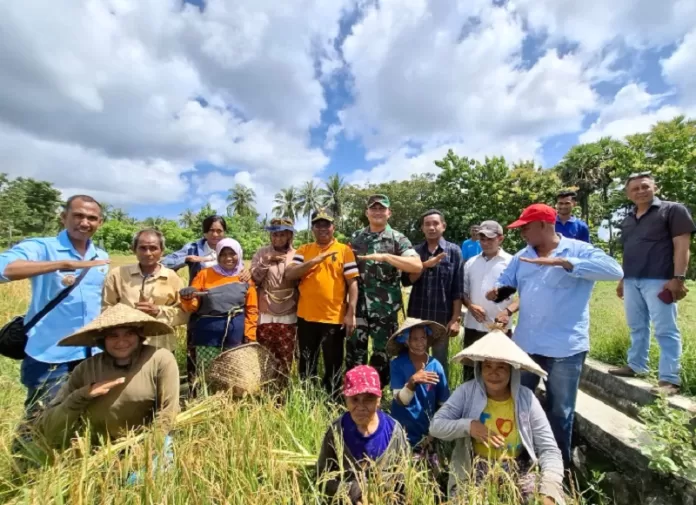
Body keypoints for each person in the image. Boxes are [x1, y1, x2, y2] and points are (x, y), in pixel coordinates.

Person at [486, 203, 623, 467]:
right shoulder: (521, 256)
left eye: (526, 227)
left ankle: (557, 466)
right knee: (520, 403)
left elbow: (615, 271)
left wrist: (563, 262)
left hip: (565, 349)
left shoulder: (577, 250)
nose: (523, 233)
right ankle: (521, 456)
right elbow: (506, 282)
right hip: (526, 346)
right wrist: (497, 292)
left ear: (545, 225)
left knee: (560, 411)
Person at [0, 195, 109, 414]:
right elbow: (3, 269)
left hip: (91, 354)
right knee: (43, 417)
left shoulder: (101, 256)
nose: (84, 222)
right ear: (63, 217)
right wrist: (62, 264)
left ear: (100, 223)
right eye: (78, 215)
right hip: (50, 355)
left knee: (84, 415)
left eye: (91, 218)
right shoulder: (42, 247)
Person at [430, 329, 565, 505]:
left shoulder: (526, 399)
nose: (493, 373)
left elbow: (549, 449)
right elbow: (436, 426)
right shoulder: (466, 392)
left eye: (501, 367)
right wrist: (469, 426)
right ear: (480, 368)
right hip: (474, 466)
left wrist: (549, 489)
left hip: (518, 467)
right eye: (488, 366)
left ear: (512, 370)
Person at [37, 304, 180, 448]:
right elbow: (50, 428)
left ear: (139, 336)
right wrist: (82, 395)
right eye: (113, 336)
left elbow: (169, 411)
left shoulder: (159, 359)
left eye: (129, 334)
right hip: (100, 451)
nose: (122, 341)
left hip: (147, 446)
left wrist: (149, 451)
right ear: (102, 340)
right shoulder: (86, 369)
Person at [609, 173, 696, 395]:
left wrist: (678, 278)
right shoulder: (628, 219)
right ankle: (636, 365)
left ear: (654, 187)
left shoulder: (672, 210)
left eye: (644, 186)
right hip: (632, 279)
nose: (640, 191)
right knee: (636, 326)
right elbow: (628, 251)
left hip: (660, 280)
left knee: (666, 329)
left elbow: (682, 246)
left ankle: (669, 379)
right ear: (628, 194)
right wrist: (622, 279)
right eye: (635, 188)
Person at [161, 215, 251, 386]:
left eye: (219, 231)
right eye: (211, 230)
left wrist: (249, 273)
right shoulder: (193, 248)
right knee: (197, 348)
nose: (215, 234)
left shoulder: (231, 251)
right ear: (204, 232)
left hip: (230, 315)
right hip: (200, 306)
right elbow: (165, 262)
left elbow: (246, 291)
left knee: (230, 362)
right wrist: (187, 259)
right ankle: (197, 387)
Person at [347, 194, 422, 386]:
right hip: (359, 309)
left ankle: (378, 396)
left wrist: (387, 257)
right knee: (355, 353)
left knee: (383, 355)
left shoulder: (398, 238)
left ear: (389, 213)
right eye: (374, 208)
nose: (378, 212)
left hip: (385, 310)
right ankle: (354, 394)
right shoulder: (356, 238)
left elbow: (416, 265)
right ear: (367, 212)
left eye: (382, 208)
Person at [285, 208, 359, 397]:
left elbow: (352, 284)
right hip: (306, 316)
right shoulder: (304, 250)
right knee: (307, 362)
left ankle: (332, 400)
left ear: (333, 227)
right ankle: (306, 398)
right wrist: (314, 261)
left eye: (326, 224)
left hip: (333, 318)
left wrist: (351, 313)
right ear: (313, 228)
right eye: (318, 225)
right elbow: (290, 274)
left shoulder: (344, 250)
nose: (322, 228)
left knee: (333, 362)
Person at [316, 365, 409, 505]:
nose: (360, 407)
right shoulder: (337, 431)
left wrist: (379, 495)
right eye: (354, 399)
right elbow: (321, 477)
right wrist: (352, 491)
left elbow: (402, 481)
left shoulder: (394, 432)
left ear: (379, 400)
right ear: (346, 399)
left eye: (368, 399)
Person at [180, 238, 258, 377]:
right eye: (223, 254)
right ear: (217, 255)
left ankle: (230, 399)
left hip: (235, 334)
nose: (228, 258)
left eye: (232, 253)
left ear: (239, 254)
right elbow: (193, 305)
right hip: (208, 333)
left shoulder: (245, 278)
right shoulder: (204, 275)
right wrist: (187, 297)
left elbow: (252, 309)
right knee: (208, 372)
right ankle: (208, 398)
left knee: (233, 374)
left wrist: (250, 334)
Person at [102, 228, 188, 351]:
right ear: (134, 250)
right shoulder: (117, 275)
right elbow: (106, 308)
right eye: (142, 248)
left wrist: (158, 311)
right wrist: (129, 314)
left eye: (153, 248)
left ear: (162, 251)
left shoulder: (171, 277)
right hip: (125, 347)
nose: (148, 253)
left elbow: (184, 313)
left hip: (161, 345)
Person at [402, 209, 464, 377]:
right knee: (415, 358)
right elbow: (407, 281)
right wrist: (424, 265)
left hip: (442, 319)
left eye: (435, 223)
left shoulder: (454, 251)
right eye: (427, 224)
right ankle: (416, 396)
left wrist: (455, 319)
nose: (431, 227)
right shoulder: (414, 252)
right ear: (422, 228)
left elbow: (457, 288)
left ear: (443, 226)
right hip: (417, 317)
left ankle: (439, 400)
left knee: (439, 361)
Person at [388, 318, 449, 478]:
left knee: (430, 477)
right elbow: (401, 400)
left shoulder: (436, 366)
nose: (419, 342)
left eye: (423, 337)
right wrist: (412, 382)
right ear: (406, 341)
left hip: (427, 433)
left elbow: (443, 403)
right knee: (402, 475)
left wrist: (435, 431)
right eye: (414, 339)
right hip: (402, 431)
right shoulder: (398, 365)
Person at [462, 221, 516, 381]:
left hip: (500, 328)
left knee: (498, 374)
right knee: (470, 374)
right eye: (482, 239)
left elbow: (524, 295)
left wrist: (507, 312)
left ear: (501, 239)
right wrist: (470, 306)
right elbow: (463, 292)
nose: (485, 243)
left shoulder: (512, 263)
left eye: (490, 239)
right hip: (473, 326)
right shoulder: (471, 263)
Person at [250, 217, 299, 376]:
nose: (278, 238)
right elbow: (255, 278)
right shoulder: (261, 253)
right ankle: (265, 386)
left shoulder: (297, 254)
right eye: (274, 235)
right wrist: (267, 261)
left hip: (290, 308)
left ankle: (283, 387)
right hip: (266, 307)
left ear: (289, 236)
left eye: (282, 235)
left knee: (286, 351)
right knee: (265, 351)